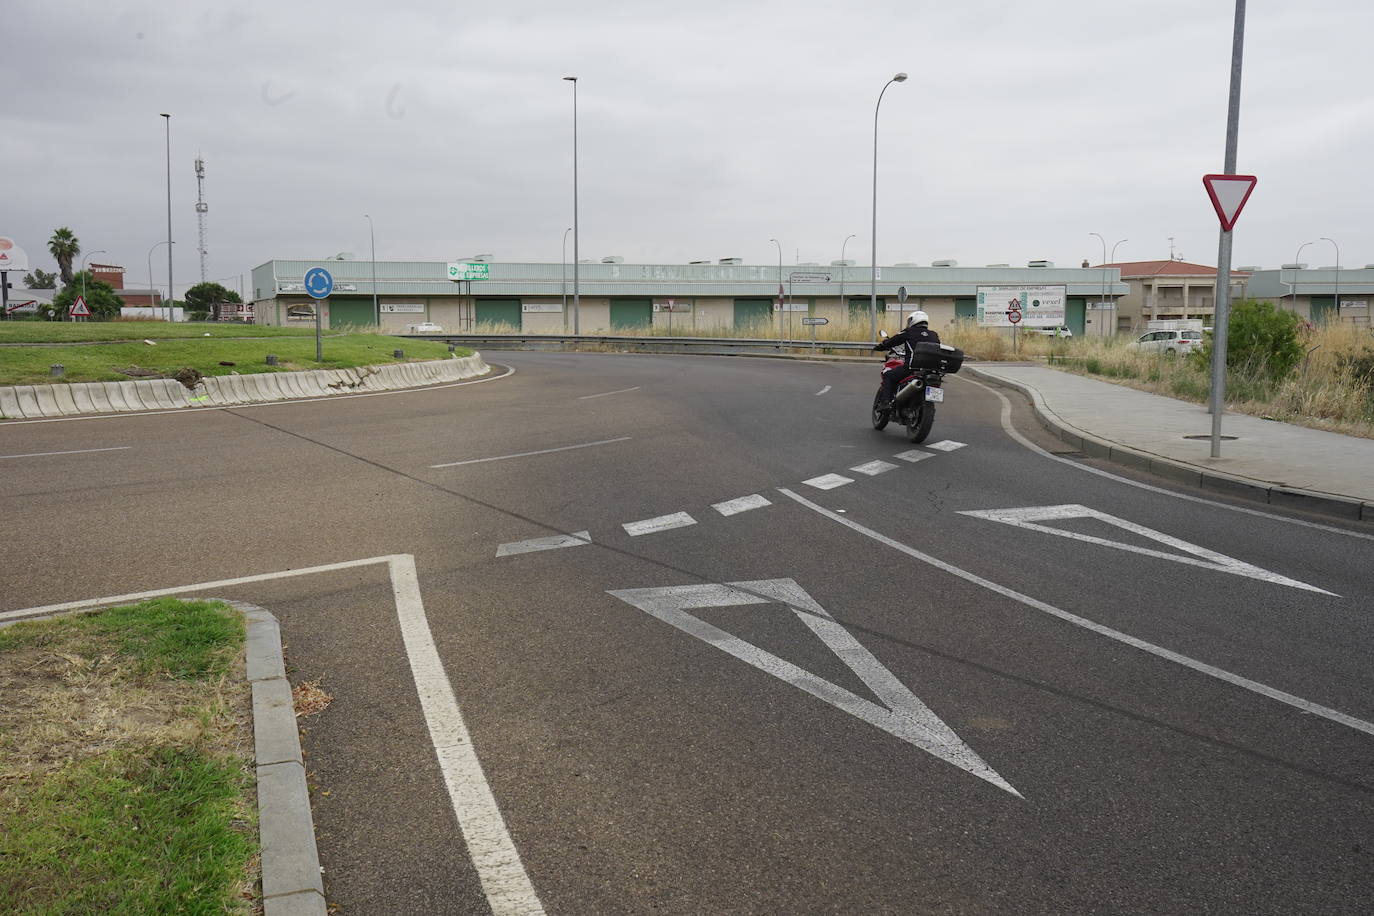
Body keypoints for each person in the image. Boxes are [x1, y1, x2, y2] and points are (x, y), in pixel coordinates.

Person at [872, 311, 941, 408]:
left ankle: (885, 403)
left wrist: (881, 346)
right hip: (930, 370)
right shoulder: (934, 334)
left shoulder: (908, 332)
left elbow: (893, 340)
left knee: (888, 375)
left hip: (912, 367)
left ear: (913, 320)